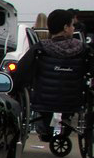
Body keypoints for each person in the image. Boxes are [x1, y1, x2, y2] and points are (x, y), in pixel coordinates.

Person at [15, 9, 92, 142]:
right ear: (65, 27)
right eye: (72, 25)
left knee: (35, 99)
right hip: (73, 99)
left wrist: (14, 88)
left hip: (42, 98)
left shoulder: (40, 48)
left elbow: (21, 72)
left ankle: (46, 128)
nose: (73, 28)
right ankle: (65, 124)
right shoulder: (83, 49)